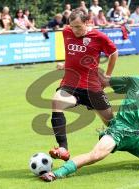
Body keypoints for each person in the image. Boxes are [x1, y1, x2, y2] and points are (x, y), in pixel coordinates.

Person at [40, 63, 139, 182]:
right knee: (95, 156)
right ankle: (57, 173)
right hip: (119, 129)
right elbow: (104, 80)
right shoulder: (137, 81)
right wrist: (68, 67)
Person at [49, 8, 118, 161]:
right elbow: (74, 55)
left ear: (87, 22)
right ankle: (63, 148)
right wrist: (65, 65)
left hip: (92, 87)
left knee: (113, 125)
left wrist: (107, 76)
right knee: (56, 101)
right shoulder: (66, 32)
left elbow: (113, 53)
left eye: (78, 26)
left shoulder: (98, 37)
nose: (74, 30)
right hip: (70, 84)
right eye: (72, 26)